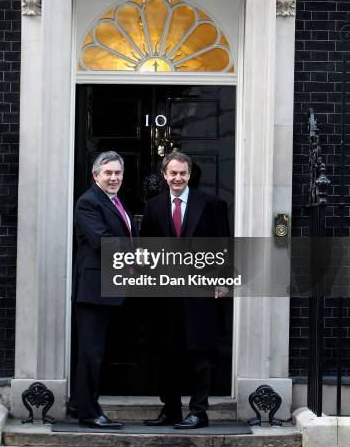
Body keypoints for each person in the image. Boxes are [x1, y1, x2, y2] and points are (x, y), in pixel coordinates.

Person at [140, 151, 230, 429]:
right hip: (166, 293)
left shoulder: (212, 204)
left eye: (183, 173)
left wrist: (224, 279)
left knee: (201, 353)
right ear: (165, 176)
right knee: (168, 353)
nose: (178, 178)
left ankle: (198, 412)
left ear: (190, 175)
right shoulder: (153, 206)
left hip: (200, 291)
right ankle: (171, 410)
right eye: (173, 173)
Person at [70, 151, 136, 428]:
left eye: (117, 173)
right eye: (108, 173)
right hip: (94, 289)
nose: (113, 178)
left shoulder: (114, 200)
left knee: (95, 350)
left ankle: (79, 404)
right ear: (95, 175)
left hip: (109, 286)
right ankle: (89, 413)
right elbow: (103, 241)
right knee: (91, 352)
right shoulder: (88, 202)